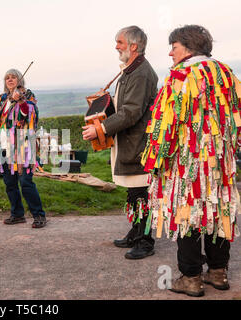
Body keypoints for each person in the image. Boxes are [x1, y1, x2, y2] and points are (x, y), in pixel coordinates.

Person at [142, 25, 241, 297]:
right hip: (220, 163)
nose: (170, 53)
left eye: (173, 47)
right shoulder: (226, 73)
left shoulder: (181, 75)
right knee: (218, 211)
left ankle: (191, 277)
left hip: (187, 162)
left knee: (187, 216)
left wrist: (155, 160)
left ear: (187, 47)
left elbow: (166, 123)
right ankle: (218, 273)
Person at [82, 26, 158, 259]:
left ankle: (145, 241)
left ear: (133, 46)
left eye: (120, 42)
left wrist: (101, 128)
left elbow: (132, 112)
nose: (116, 46)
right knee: (133, 193)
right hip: (128, 141)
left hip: (138, 144)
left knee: (141, 193)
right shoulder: (131, 70)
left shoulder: (141, 73)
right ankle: (136, 233)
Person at [0, 69, 47, 228]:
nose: (10, 80)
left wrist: (21, 101)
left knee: (25, 181)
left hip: (23, 145)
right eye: (7, 78)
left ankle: (39, 215)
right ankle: (17, 214)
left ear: (20, 80)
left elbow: (30, 113)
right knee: (9, 182)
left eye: (13, 77)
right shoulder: (1, 98)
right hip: (3, 145)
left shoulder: (27, 95)